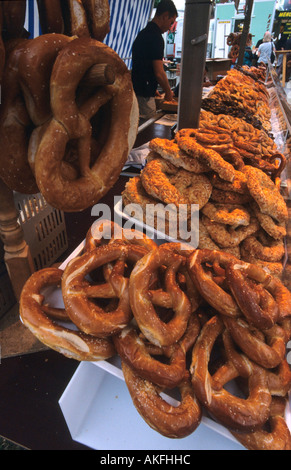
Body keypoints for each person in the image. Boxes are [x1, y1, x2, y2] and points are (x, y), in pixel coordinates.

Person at [131, 0, 178, 120]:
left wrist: (152, 87)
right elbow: (159, 72)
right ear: (165, 16)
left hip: (137, 90)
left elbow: (143, 66)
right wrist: (168, 92)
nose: (170, 27)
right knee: (146, 127)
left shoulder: (143, 33)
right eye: (171, 22)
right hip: (144, 96)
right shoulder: (156, 37)